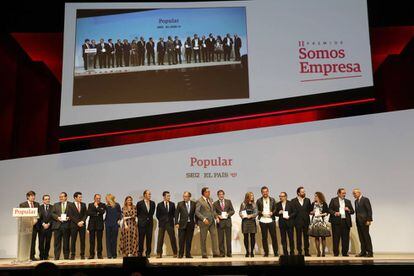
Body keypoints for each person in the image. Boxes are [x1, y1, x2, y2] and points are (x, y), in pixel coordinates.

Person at [329, 188, 355, 257]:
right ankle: (336, 253)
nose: (344, 194)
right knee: (336, 238)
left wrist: (349, 210)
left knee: (345, 239)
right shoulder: (333, 200)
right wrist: (335, 213)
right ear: (338, 193)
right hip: (336, 222)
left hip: (345, 222)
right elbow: (329, 209)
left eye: (345, 193)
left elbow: (352, 211)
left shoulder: (348, 201)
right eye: (343, 193)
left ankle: (345, 253)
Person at [195, 187, 220, 258]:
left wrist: (216, 217)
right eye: (208, 192)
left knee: (214, 237)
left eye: (209, 192)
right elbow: (197, 212)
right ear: (204, 193)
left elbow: (213, 210)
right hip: (204, 222)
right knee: (203, 238)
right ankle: (204, 254)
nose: (209, 193)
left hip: (212, 221)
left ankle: (215, 253)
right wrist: (203, 219)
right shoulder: (199, 201)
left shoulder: (211, 199)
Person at [256, 186, 278, 257]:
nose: (265, 193)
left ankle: (275, 252)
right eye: (263, 192)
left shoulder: (273, 200)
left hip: (271, 220)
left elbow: (275, 208)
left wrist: (272, 212)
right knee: (264, 237)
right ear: (261, 193)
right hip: (262, 220)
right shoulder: (259, 200)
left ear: (268, 192)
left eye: (266, 191)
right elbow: (256, 210)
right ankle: (266, 252)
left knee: (274, 237)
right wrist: (261, 212)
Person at [291, 186, 313, 256]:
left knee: (306, 237)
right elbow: (292, 211)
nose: (304, 193)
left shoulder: (307, 200)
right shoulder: (293, 201)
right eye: (302, 192)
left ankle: (306, 251)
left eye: (304, 191)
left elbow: (310, 210)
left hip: (306, 222)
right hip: (297, 222)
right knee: (298, 237)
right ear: (298, 193)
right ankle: (299, 251)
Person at [19, 191, 40, 261]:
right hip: (26, 226)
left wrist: (36, 219)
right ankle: (25, 256)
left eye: (34, 196)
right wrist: (28, 221)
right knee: (26, 242)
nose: (33, 197)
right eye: (32, 196)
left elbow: (39, 213)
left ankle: (32, 256)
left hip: (35, 226)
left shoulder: (37, 204)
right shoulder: (22, 204)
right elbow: (21, 215)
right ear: (28, 197)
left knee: (33, 241)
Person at [213, 190, 235, 257]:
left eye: (222, 194)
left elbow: (233, 211)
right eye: (219, 194)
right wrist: (217, 216)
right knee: (220, 239)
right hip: (220, 222)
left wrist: (228, 214)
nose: (221, 195)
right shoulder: (215, 203)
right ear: (218, 195)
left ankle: (229, 253)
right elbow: (213, 212)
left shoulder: (228, 201)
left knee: (228, 239)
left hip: (227, 222)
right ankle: (222, 253)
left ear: (224, 195)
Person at [175, 191, 196, 258]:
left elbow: (196, 214)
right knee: (181, 240)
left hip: (191, 224)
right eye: (184, 196)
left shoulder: (194, 204)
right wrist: (176, 223)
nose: (185, 198)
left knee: (189, 240)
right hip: (182, 224)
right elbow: (176, 214)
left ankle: (188, 254)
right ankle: (180, 254)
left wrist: (196, 223)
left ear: (189, 197)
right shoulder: (180, 204)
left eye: (186, 196)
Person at [156, 191, 178, 258]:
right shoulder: (159, 204)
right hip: (162, 224)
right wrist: (162, 220)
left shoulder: (172, 204)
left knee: (172, 239)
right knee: (160, 239)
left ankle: (175, 253)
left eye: (169, 196)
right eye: (167, 196)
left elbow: (174, 214)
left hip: (170, 224)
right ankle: (159, 253)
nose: (169, 197)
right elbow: (157, 215)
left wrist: (172, 220)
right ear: (164, 196)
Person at [308, 192, 331, 257]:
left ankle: (323, 251)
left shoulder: (324, 204)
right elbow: (310, 212)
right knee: (316, 237)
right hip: (314, 222)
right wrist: (312, 212)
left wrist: (321, 214)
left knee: (323, 237)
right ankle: (318, 252)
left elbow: (327, 212)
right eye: (315, 196)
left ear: (320, 197)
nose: (315, 197)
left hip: (322, 221)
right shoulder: (313, 204)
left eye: (316, 196)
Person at [353, 189, 373, 257]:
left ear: (359, 193)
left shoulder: (365, 199)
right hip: (358, 222)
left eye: (355, 193)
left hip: (365, 221)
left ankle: (370, 252)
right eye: (353, 194)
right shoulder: (355, 201)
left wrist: (369, 220)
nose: (354, 195)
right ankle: (363, 252)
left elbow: (369, 210)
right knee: (361, 237)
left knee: (366, 237)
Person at [67, 192, 87, 259]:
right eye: (79, 197)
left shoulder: (84, 204)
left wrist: (82, 221)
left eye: (81, 197)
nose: (81, 198)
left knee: (82, 240)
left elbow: (85, 214)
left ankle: (82, 255)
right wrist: (77, 222)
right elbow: (70, 215)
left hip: (82, 225)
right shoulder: (70, 205)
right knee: (73, 240)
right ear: (75, 198)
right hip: (74, 225)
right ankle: (72, 255)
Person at [51, 192, 71, 260]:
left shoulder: (70, 204)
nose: (61, 198)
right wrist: (58, 218)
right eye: (60, 197)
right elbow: (52, 214)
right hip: (57, 226)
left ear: (66, 197)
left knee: (66, 243)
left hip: (67, 226)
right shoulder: (55, 205)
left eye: (62, 197)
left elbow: (73, 213)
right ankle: (56, 257)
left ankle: (66, 257)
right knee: (57, 243)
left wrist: (69, 217)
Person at [136, 190, 156, 258]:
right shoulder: (139, 203)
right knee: (141, 239)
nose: (150, 195)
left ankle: (148, 253)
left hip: (149, 224)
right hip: (141, 224)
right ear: (144, 195)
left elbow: (152, 213)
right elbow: (137, 213)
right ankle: (140, 252)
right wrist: (141, 220)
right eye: (148, 194)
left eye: (150, 194)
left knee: (149, 239)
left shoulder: (153, 203)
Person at [87, 194, 106, 259]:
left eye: (99, 198)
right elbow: (89, 213)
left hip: (99, 225)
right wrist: (97, 213)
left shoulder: (103, 205)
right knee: (91, 241)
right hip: (92, 225)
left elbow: (102, 212)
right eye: (97, 198)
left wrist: (97, 206)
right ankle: (91, 254)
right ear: (94, 198)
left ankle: (99, 254)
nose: (98, 199)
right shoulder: (90, 204)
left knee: (99, 241)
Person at [239, 192, 257, 257]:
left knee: (252, 237)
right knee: (246, 237)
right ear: (247, 196)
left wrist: (251, 215)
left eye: (252, 195)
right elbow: (240, 212)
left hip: (252, 221)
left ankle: (252, 251)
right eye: (251, 195)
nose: (252, 197)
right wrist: (242, 215)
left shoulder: (254, 204)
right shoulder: (243, 204)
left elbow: (256, 213)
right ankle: (247, 251)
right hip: (245, 221)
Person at [105, 194, 122, 259]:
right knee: (108, 239)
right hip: (108, 224)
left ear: (109, 198)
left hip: (115, 224)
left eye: (106, 198)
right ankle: (109, 254)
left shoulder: (117, 205)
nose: (106, 200)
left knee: (114, 239)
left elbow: (120, 213)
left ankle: (114, 254)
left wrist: (119, 219)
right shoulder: (106, 206)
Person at [38, 194, 53, 260]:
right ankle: (41, 256)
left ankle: (46, 256)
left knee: (48, 242)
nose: (47, 200)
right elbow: (38, 217)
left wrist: (49, 224)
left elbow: (53, 217)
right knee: (41, 242)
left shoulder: (53, 207)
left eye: (48, 199)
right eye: (46, 199)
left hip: (49, 228)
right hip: (41, 228)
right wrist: (43, 224)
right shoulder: (39, 207)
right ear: (43, 200)